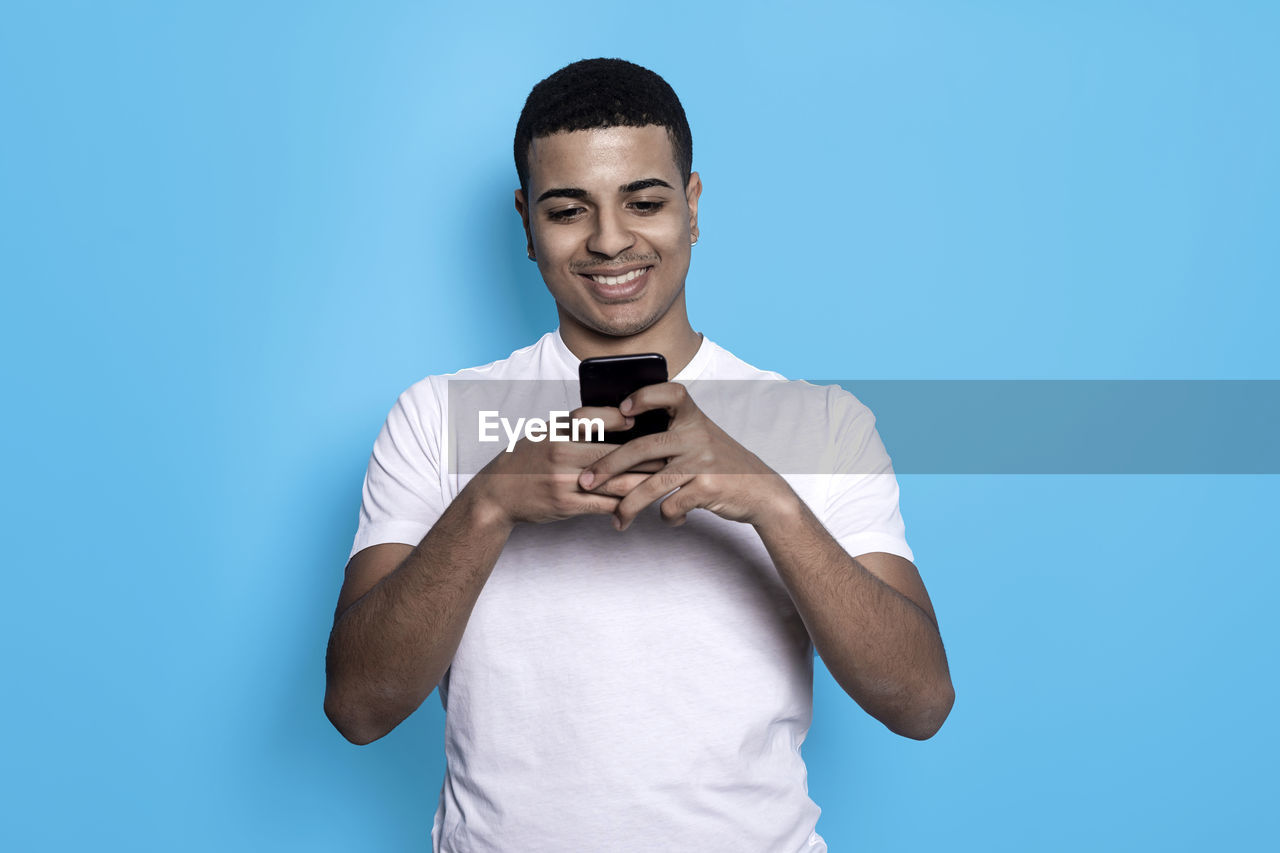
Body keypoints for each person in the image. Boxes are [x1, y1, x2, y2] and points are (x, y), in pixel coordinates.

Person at [324, 58, 954, 852]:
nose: (611, 239)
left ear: (692, 206)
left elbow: (921, 702)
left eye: (645, 201)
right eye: (567, 209)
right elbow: (358, 705)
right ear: (525, 222)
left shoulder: (819, 422)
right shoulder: (437, 416)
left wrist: (768, 497)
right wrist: (491, 501)